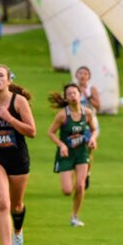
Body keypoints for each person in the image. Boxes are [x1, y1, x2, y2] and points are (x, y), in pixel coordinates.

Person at [0, 65, 36, 245]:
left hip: (18, 158)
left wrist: (9, 118)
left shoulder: (19, 101)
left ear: (8, 80)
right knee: (2, 203)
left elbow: (32, 131)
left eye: (0, 76)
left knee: (16, 206)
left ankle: (18, 230)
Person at [48, 83, 98, 227]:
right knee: (67, 190)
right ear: (66, 97)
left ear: (79, 95)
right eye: (69, 94)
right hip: (66, 154)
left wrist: (93, 139)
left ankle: (75, 216)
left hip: (81, 153)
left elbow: (94, 130)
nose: (72, 96)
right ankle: (70, 178)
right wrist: (62, 145)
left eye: (74, 93)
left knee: (81, 186)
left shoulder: (87, 113)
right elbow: (51, 132)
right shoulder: (62, 115)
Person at [75, 65, 100, 189]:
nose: (82, 76)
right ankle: (79, 175)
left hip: (90, 123)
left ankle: (86, 174)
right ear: (76, 76)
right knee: (75, 149)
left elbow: (98, 106)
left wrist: (87, 95)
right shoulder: (72, 90)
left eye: (85, 73)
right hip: (75, 124)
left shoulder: (92, 89)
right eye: (80, 73)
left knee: (88, 151)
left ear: (89, 77)